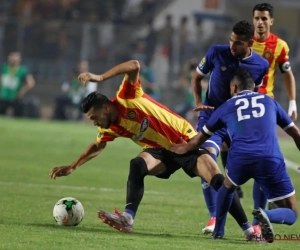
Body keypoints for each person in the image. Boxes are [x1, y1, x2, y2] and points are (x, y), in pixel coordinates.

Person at [49, 60, 253, 238]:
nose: (94, 123)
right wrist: (73, 166)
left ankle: (248, 230)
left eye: (94, 118)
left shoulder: (126, 96)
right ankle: (128, 218)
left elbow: (134, 65)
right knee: (137, 164)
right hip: (159, 150)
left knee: (219, 181)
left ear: (106, 108)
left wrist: (99, 77)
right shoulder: (110, 126)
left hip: (184, 140)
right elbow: (98, 145)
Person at [171, 68, 298, 241]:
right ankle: (265, 215)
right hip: (270, 158)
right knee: (292, 212)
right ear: (253, 88)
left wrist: (184, 148)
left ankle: (218, 231)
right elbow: (295, 133)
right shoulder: (269, 101)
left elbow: (200, 138)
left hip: (240, 159)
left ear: (234, 87)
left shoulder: (226, 106)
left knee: (228, 186)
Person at [191, 20, 269, 234]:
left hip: (238, 122)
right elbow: (197, 77)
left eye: (238, 44)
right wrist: (198, 101)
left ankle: (258, 223)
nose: (232, 47)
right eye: (231, 41)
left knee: (262, 164)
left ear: (250, 43)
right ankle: (214, 216)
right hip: (212, 116)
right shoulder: (216, 52)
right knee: (205, 158)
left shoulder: (261, 65)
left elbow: (255, 93)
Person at [220, 2, 298, 213]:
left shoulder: (279, 46)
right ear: (252, 20)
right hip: (239, 105)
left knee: (261, 157)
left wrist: (292, 102)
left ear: (271, 21)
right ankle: (232, 184)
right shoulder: (244, 42)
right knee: (226, 145)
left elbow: (286, 73)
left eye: (264, 18)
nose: (260, 22)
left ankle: (258, 215)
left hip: (263, 108)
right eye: (257, 18)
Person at [0, 51, 35, 117]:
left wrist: (21, 92)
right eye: (11, 56)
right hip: (4, 96)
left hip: (15, 97)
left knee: (18, 116)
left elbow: (30, 82)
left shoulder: (23, 70)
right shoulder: (4, 68)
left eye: (15, 56)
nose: (13, 58)